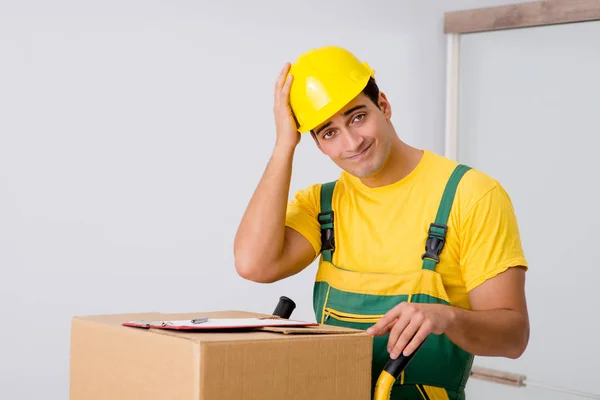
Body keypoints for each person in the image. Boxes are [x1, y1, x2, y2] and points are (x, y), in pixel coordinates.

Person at [233, 45, 530, 400]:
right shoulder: (322, 205)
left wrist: (447, 317)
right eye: (329, 132)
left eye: (358, 116)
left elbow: (513, 337)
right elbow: (253, 264)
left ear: (384, 106)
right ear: (317, 144)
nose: (352, 142)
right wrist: (284, 145)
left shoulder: (471, 195)